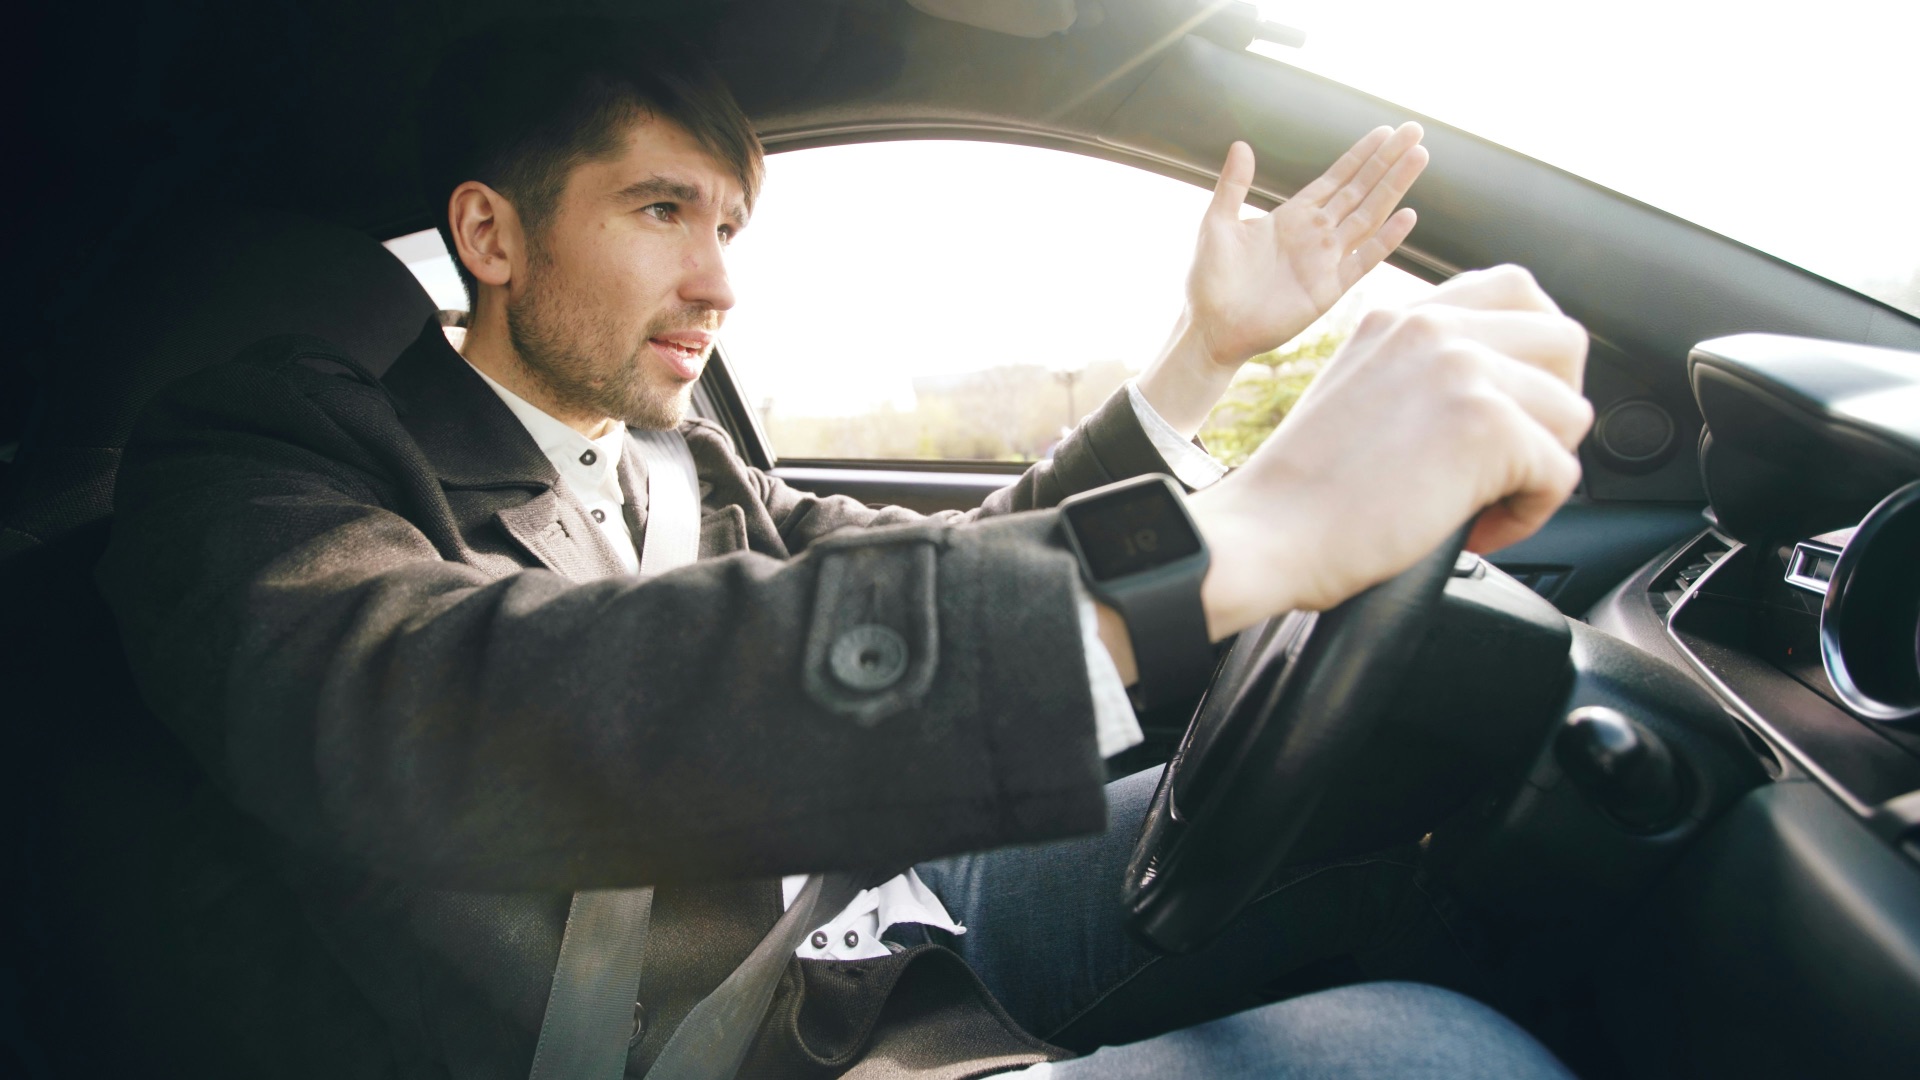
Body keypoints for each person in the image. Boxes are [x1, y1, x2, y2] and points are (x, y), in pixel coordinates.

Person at [98, 16, 1589, 1080]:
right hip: (713, 1038)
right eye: (662, 209)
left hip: (852, 939)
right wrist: (1242, 546)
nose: (718, 280)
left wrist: (1201, 365)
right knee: (1450, 1056)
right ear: (491, 237)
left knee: (1380, 859)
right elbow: (451, 707)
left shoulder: (684, 467)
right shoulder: (258, 466)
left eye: (732, 225)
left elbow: (977, 560)